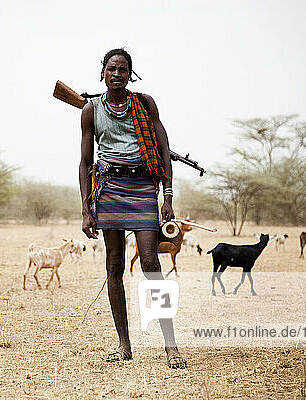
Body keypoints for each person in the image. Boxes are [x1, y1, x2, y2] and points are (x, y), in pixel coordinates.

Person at [79, 48, 186, 368]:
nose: (117, 74)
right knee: (114, 265)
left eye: (122, 69)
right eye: (111, 69)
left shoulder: (145, 104)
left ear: (130, 74)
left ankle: (170, 344)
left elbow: (164, 149)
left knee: (151, 261)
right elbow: (85, 162)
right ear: (102, 72)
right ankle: (124, 345)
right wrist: (86, 210)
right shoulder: (90, 109)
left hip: (142, 190)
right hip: (110, 190)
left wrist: (167, 196)